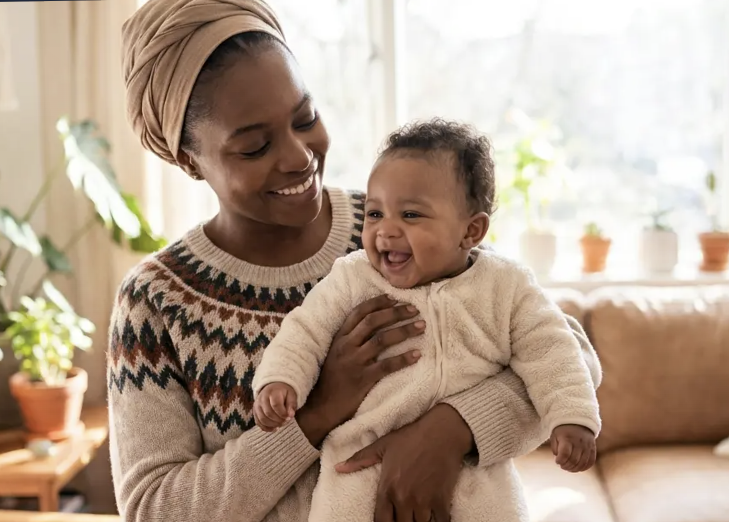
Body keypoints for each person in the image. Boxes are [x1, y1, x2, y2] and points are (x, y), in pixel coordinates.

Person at [111, 0, 601, 520]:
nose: (299, 156)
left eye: (306, 118)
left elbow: (568, 352)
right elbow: (152, 509)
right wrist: (318, 412)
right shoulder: (157, 301)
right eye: (255, 147)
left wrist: (452, 429)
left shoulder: (400, 226)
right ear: (188, 160)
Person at [252, 118, 601, 521]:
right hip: (357, 467)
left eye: (411, 214)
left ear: (471, 231)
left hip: (474, 472)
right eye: (375, 213)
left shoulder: (505, 286)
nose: (386, 230)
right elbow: (304, 330)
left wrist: (572, 417)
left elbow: (552, 349)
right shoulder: (353, 278)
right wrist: (279, 379)